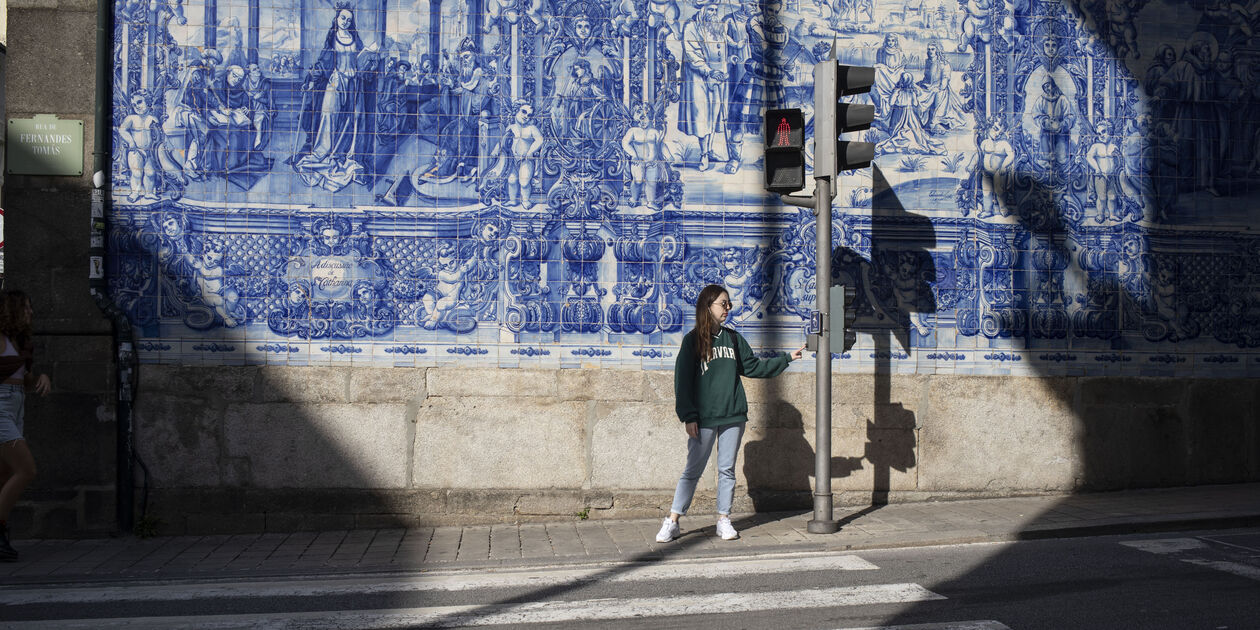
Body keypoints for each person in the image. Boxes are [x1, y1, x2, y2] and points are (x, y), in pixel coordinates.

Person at [656, 284, 804, 543]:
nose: (727, 309)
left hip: (733, 415)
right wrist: (688, 415)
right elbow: (683, 383)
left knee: (726, 470)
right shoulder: (692, 341)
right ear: (707, 306)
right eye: (723, 304)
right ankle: (673, 520)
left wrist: (787, 358)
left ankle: (723, 519)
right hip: (703, 418)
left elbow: (755, 367)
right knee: (693, 469)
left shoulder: (733, 339)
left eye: (728, 304)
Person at [0, 291, 52, 561]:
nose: (31, 312)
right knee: (26, 469)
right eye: (27, 307)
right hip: (0, 408)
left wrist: (41, 377)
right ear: (12, 309)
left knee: (5, 474)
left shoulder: (17, 342)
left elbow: (25, 378)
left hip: (15, 406)